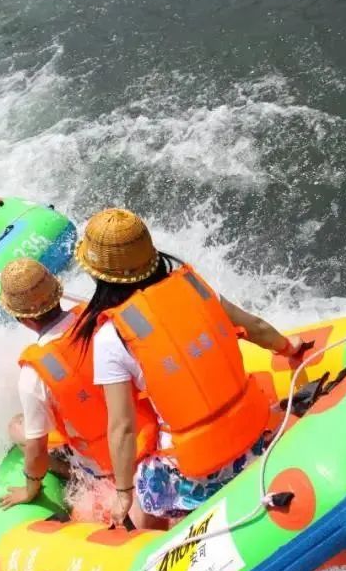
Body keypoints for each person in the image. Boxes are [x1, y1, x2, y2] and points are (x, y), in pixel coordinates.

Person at [72, 208, 308, 526]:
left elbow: (122, 429)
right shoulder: (194, 288)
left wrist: (124, 493)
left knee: (142, 488)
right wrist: (288, 348)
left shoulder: (111, 337)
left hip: (195, 469)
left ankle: (155, 539)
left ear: (96, 273)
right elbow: (256, 328)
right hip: (253, 439)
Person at [0, 259, 159, 524]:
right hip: (152, 431)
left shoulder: (33, 375)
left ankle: (72, 473)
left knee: (18, 428)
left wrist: (30, 489)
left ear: (21, 319)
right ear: (59, 293)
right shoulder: (104, 319)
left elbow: (36, 452)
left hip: (109, 463)